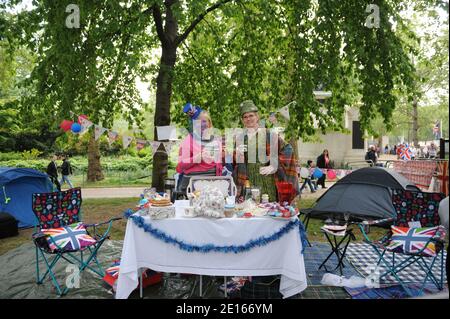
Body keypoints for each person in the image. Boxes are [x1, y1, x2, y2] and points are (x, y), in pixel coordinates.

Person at [234, 100, 299, 202]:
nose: (248, 119)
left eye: (251, 116)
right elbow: (235, 163)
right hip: (248, 180)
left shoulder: (268, 134)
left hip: (267, 179)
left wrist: (274, 163)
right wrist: (237, 154)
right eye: (245, 117)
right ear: (242, 120)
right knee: (250, 208)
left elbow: (288, 149)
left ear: (257, 117)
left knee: (268, 206)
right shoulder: (240, 138)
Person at [175, 111, 223, 194]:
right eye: (199, 122)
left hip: (212, 186)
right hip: (191, 187)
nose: (202, 124)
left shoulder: (216, 140)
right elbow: (180, 166)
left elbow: (219, 165)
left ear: (209, 123)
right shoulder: (188, 140)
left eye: (204, 121)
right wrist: (197, 158)